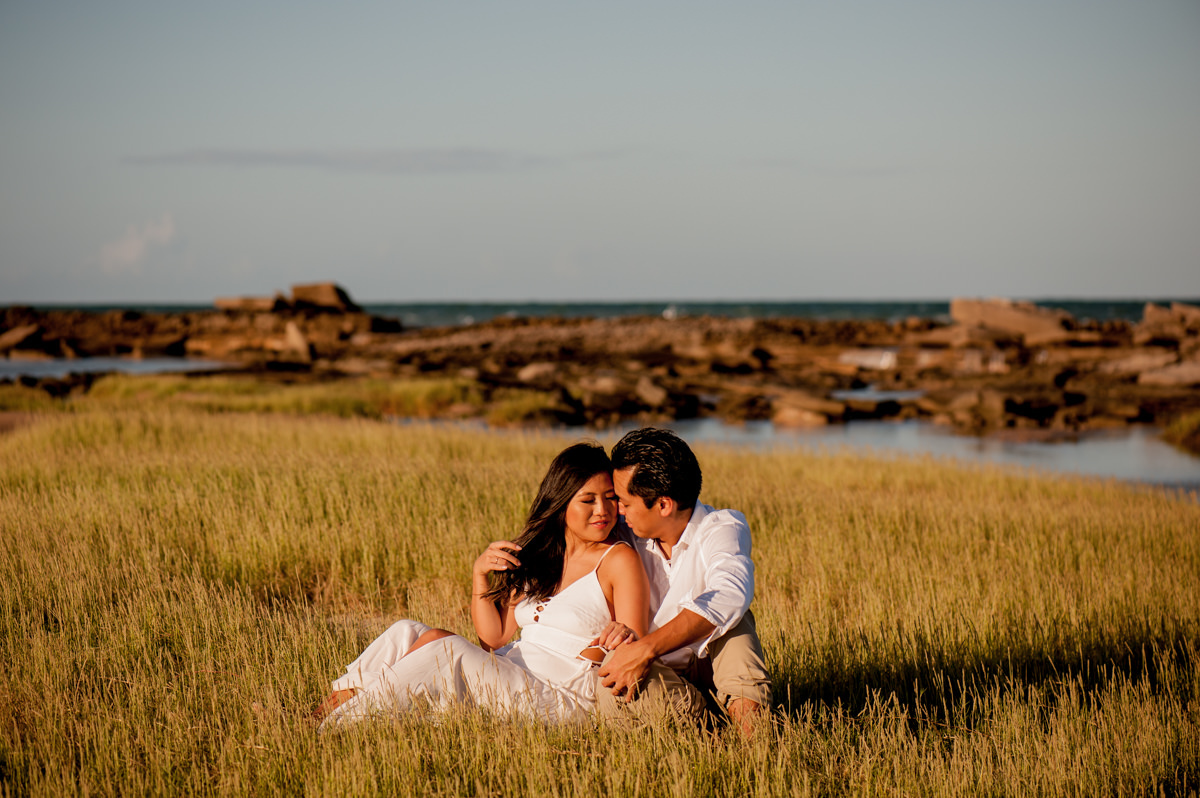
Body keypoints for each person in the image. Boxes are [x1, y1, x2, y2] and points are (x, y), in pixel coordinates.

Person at [314, 442, 649, 729]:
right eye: (587, 500)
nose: (602, 510)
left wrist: (624, 634)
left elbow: (633, 648)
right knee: (406, 630)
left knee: (445, 647)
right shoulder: (544, 556)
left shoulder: (618, 560)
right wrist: (479, 576)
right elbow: (495, 637)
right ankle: (324, 713)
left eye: (609, 498)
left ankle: (341, 722)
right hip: (513, 670)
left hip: (561, 696)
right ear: (561, 503)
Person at [595, 427, 772, 733]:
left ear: (663, 505)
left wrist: (646, 648)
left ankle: (754, 735)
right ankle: (710, 730)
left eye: (624, 502)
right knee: (612, 680)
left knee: (736, 622)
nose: (617, 510)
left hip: (706, 663)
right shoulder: (622, 533)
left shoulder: (721, 527)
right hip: (658, 678)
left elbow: (730, 593)